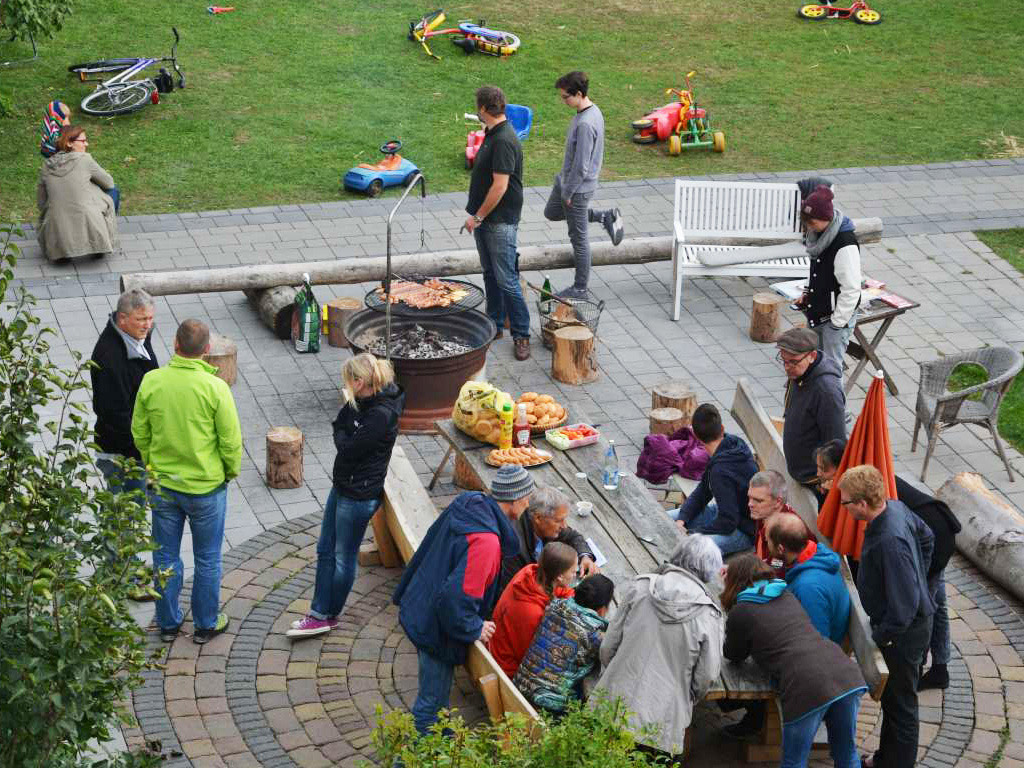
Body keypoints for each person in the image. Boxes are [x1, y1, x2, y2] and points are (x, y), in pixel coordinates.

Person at [393, 464, 532, 735]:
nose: (528, 503)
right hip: (434, 626)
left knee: (436, 705)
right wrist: (474, 627)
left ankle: (438, 749)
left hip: (420, 603)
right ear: (514, 500)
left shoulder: (471, 502)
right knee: (431, 707)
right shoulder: (487, 543)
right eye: (526, 497)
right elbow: (456, 600)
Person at [816, 440, 960, 691]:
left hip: (938, 533)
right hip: (924, 529)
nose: (819, 475)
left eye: (823, 470)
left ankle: (935, 667)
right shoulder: (864, 483)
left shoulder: (869, 504)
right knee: (923, 598)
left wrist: (917, 574)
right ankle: (923, 660)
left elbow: (904, 603)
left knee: (928, 602)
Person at [131, 319, 242, 644]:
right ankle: (206, 623)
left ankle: (167, 623)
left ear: (175, 345)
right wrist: (228, 472)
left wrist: (152, 463)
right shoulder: (215, 388)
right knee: (208, 558)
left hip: (164, 485)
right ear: (207, 351)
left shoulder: (152, 381)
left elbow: (139, 432)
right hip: (206, 487)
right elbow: (230, 442)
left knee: (164, 556)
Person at [288, 353, 405, 638]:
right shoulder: (361, 403)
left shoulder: (380, 414)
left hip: (358, 494)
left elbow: (350, 448)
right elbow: (339, 425)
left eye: (348, 381)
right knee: (324, 549)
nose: (346, 386)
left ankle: (328, 614)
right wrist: (346, 435)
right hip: (344, 485)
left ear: (360, 381)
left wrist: (346, 437)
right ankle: (318, 611)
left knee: (343, 557)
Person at [722, 554, 867, 768]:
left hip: (805, 683)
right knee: (846, 755)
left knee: (794, 761)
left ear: (735, 581)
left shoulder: (741, 611)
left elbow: (733, 654)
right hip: (845, 673)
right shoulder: (785, 594)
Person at [593, 535, 724, 758]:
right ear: (709, 571)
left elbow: (608, 647)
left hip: (613, 703)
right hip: (663, 718)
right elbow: (707, 675)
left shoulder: (640, 586)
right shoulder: (709, 614)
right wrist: (684, 695)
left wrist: (617, 672)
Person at [838, 465, 935, 768]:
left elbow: (904, 608)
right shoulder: (895, 508)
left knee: (902, 706)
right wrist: (921, 576)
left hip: (903, 637)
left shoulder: (889, 541)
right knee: (894, 704)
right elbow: (927, 538)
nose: (844, 507)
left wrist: (879, 637)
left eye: (846, 503)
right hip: (904, 626)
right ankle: (886, 759)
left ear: (862, 505)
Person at [90, 288, 160, 601]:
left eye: (150, 318)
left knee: (129, 511)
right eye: (141, 319)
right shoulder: (110, 356)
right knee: (123, 514)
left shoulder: (134, 340)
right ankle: (122, 577)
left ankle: (120, 567)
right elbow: (114, 414)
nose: (148, 324)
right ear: (123, 319)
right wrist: (141, 452)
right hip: (121, 452)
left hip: (131, 448)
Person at [463, 85, 532, 361]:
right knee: (490, 273)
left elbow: (500, 186)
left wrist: (478, 216)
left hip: (499, 220)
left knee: (507, 279)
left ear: (482, 109)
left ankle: (522, 334)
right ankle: (493, 323)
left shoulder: (503, 140)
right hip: (485, 219)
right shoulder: (492, 133)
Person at [543, 70, 624, 298]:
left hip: (577, 188)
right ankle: (602, 216)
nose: (563, 101)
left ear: (578, 94)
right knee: (551, 212)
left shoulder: (587, 123)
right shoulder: (589, 111)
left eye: (565, 97)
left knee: (579, 240)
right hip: (565, 181)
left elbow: (582, 166)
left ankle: (580, 288)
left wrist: (568, 192)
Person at [513, 573, 614, 715]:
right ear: (603, 609)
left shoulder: (555, 604)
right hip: (548, 705)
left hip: (519, 684)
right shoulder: (595, 635)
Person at [672, 403, 758, 556]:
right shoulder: (733, 442)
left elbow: (727, 523)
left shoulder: (720, 471)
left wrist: (692, 533)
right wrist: (682, 519)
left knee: (689, 550)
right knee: (665, 519)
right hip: (725, 512)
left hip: (743, 530)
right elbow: (703, 491)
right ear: (722, 429)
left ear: (697, 438)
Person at [793, 185, 862, 372]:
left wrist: (837, 324)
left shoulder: (845, 244)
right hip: (817, 314)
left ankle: (831, 401)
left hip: (834, 320)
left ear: (826, 218)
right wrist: (807, 292)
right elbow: (816, 268)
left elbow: (851, 289)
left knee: (830, 370)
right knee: (813, 364)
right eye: (806, 222)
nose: (808, 227)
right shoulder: (819, 235)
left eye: (811, 222)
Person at [489, 541, 578, 678]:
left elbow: (559, 590)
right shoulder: (533, 613)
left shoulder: (532, 572)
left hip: (497, 644)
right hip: (505, 666)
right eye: (573, 571)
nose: (575, 575)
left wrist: (571, 596)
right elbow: (529, 655)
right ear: (559, 576)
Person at [37, 125, 120, 262]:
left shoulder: (47, 165)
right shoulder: (84, 159)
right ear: (69, 143)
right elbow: (109, 183)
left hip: (55, 225)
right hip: (89, 217)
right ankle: (100, 241)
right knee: (114, 191)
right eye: (83, 141)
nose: (86, 144)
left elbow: (41, 201)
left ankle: (63, 246)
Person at [777, 327, 846, 489]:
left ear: (812, 356)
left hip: (815, 481)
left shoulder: (827, 392)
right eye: (783, 360)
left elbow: (835, 441)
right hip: (799, 471)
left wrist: (826, 479)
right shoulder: (799, 372)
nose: (787, 367)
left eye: (793, 361)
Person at [499, 485, 598, 597]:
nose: (564, 526)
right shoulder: (514, 546)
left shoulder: (546, 524)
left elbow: (573, 536)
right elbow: (514, 591)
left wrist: (585, 556)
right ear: (538, 518)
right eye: (559, 520)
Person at [767, 514, 850, 644]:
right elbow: (775, 564)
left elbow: (818, 643)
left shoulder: (808, 589)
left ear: (780, 549)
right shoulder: (815, 555)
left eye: (768, 542)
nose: (767, 545)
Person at [748, 469, 810, 576]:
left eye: (758, 500)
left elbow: (780, 567)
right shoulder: (764, 514)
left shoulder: (788, 530)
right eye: (749, 498)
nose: (750, 504)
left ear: (778, 502)